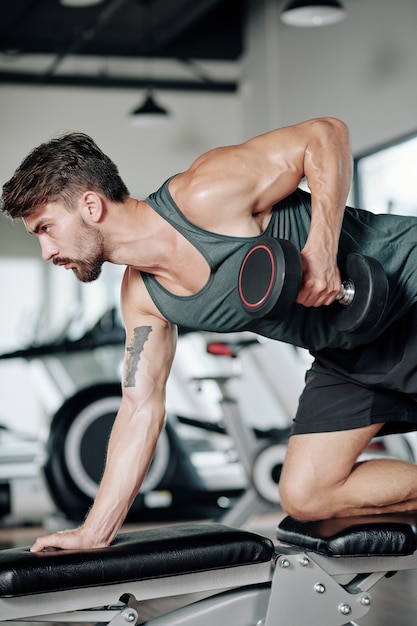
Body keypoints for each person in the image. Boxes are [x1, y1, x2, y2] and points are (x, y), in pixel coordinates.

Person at [2, 117, 417, 553]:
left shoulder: (204, 195)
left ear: (91, 206)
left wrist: (322, 246)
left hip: (405, 290)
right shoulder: (143, 296)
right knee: (306, 494)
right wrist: (94, 533)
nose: (47, 252)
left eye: (46, 228)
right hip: (345, 351)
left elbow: (325, 134)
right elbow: (139, 408)